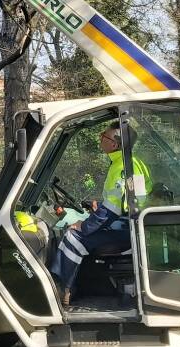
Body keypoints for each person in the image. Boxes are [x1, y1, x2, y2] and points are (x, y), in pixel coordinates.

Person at [49, 122, 152, 306]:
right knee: (79, 230)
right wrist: (99, 206)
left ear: (114, 144)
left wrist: (85, 225)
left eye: (104, 135)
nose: (101, 136)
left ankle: (64, 290)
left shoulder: (123, 166)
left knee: (73, 236)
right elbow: (120, 202)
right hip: (129, 223)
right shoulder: (129, 162)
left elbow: (112, 210)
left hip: (128, 229)